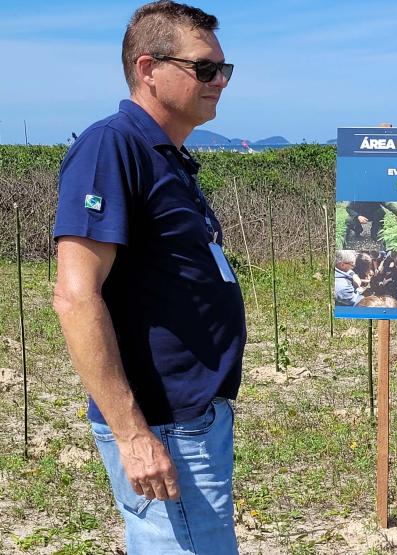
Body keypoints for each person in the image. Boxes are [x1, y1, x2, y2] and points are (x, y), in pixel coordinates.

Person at [52, 2, 244, 552]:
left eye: (224, 69)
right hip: (161, 423)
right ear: (147, 68)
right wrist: (133, 434)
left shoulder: (168, 156)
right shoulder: (111, 147)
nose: (220, 82)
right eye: (204, 68)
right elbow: (75, 295)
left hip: (191, 417)